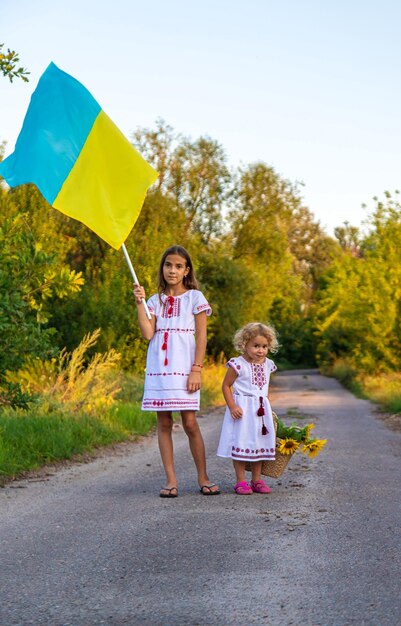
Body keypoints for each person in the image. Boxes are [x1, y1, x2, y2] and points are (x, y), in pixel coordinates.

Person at [133, 245, 220, 498]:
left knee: (190, 422)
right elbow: (148, 333)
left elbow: (202, 337)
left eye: (178, 266)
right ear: (162, 268)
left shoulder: (195, 298)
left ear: (186, 271)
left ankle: (203, 477)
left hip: (185, 367)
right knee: (164, 422)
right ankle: (171, 480)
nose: (172, 270)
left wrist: (197, 369)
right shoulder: (154, 300)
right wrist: (139, 302)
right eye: (168, 265)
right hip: (160, 367)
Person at [217, 322, 279, 495]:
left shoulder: (268, 364)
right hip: (242, 410)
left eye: (264, 346)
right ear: (244, 344)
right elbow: (225, 386)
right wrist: (232, 406)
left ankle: (257, 480)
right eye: (256, 346)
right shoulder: (237, 364)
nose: (260, 350)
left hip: (260, 410)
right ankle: (241, 481)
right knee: (241, 444)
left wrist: (267, 408)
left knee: (259, 443)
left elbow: (263, 388)